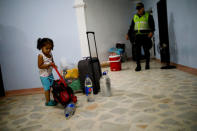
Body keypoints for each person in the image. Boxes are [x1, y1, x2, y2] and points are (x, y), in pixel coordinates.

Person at [126, 2, 155, 71]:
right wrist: (128, 34)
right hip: (137, 37)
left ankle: (147, 64)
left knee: (146, 51)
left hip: (146, 36)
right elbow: (131, 27)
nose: (138, 10)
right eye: (137, 9)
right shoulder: (135, 17)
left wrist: (152, 32)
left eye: (140, 9)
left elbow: (152, 26)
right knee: (137, 52)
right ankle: (138, 66)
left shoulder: (148, 16)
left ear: (143, 8)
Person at [37, 38, 57, 106]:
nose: (48, 50)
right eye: (47, 48)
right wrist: (48, 65)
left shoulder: (50, 54)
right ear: (41, 47)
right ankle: (48, 102)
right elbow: (40, 66)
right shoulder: (40, 56)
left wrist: (54, 65)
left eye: (50, 48)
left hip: (50, 74)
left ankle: (55, 99)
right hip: (44, 76)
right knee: (47, 88)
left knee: (53, 86)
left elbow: (52, 61)